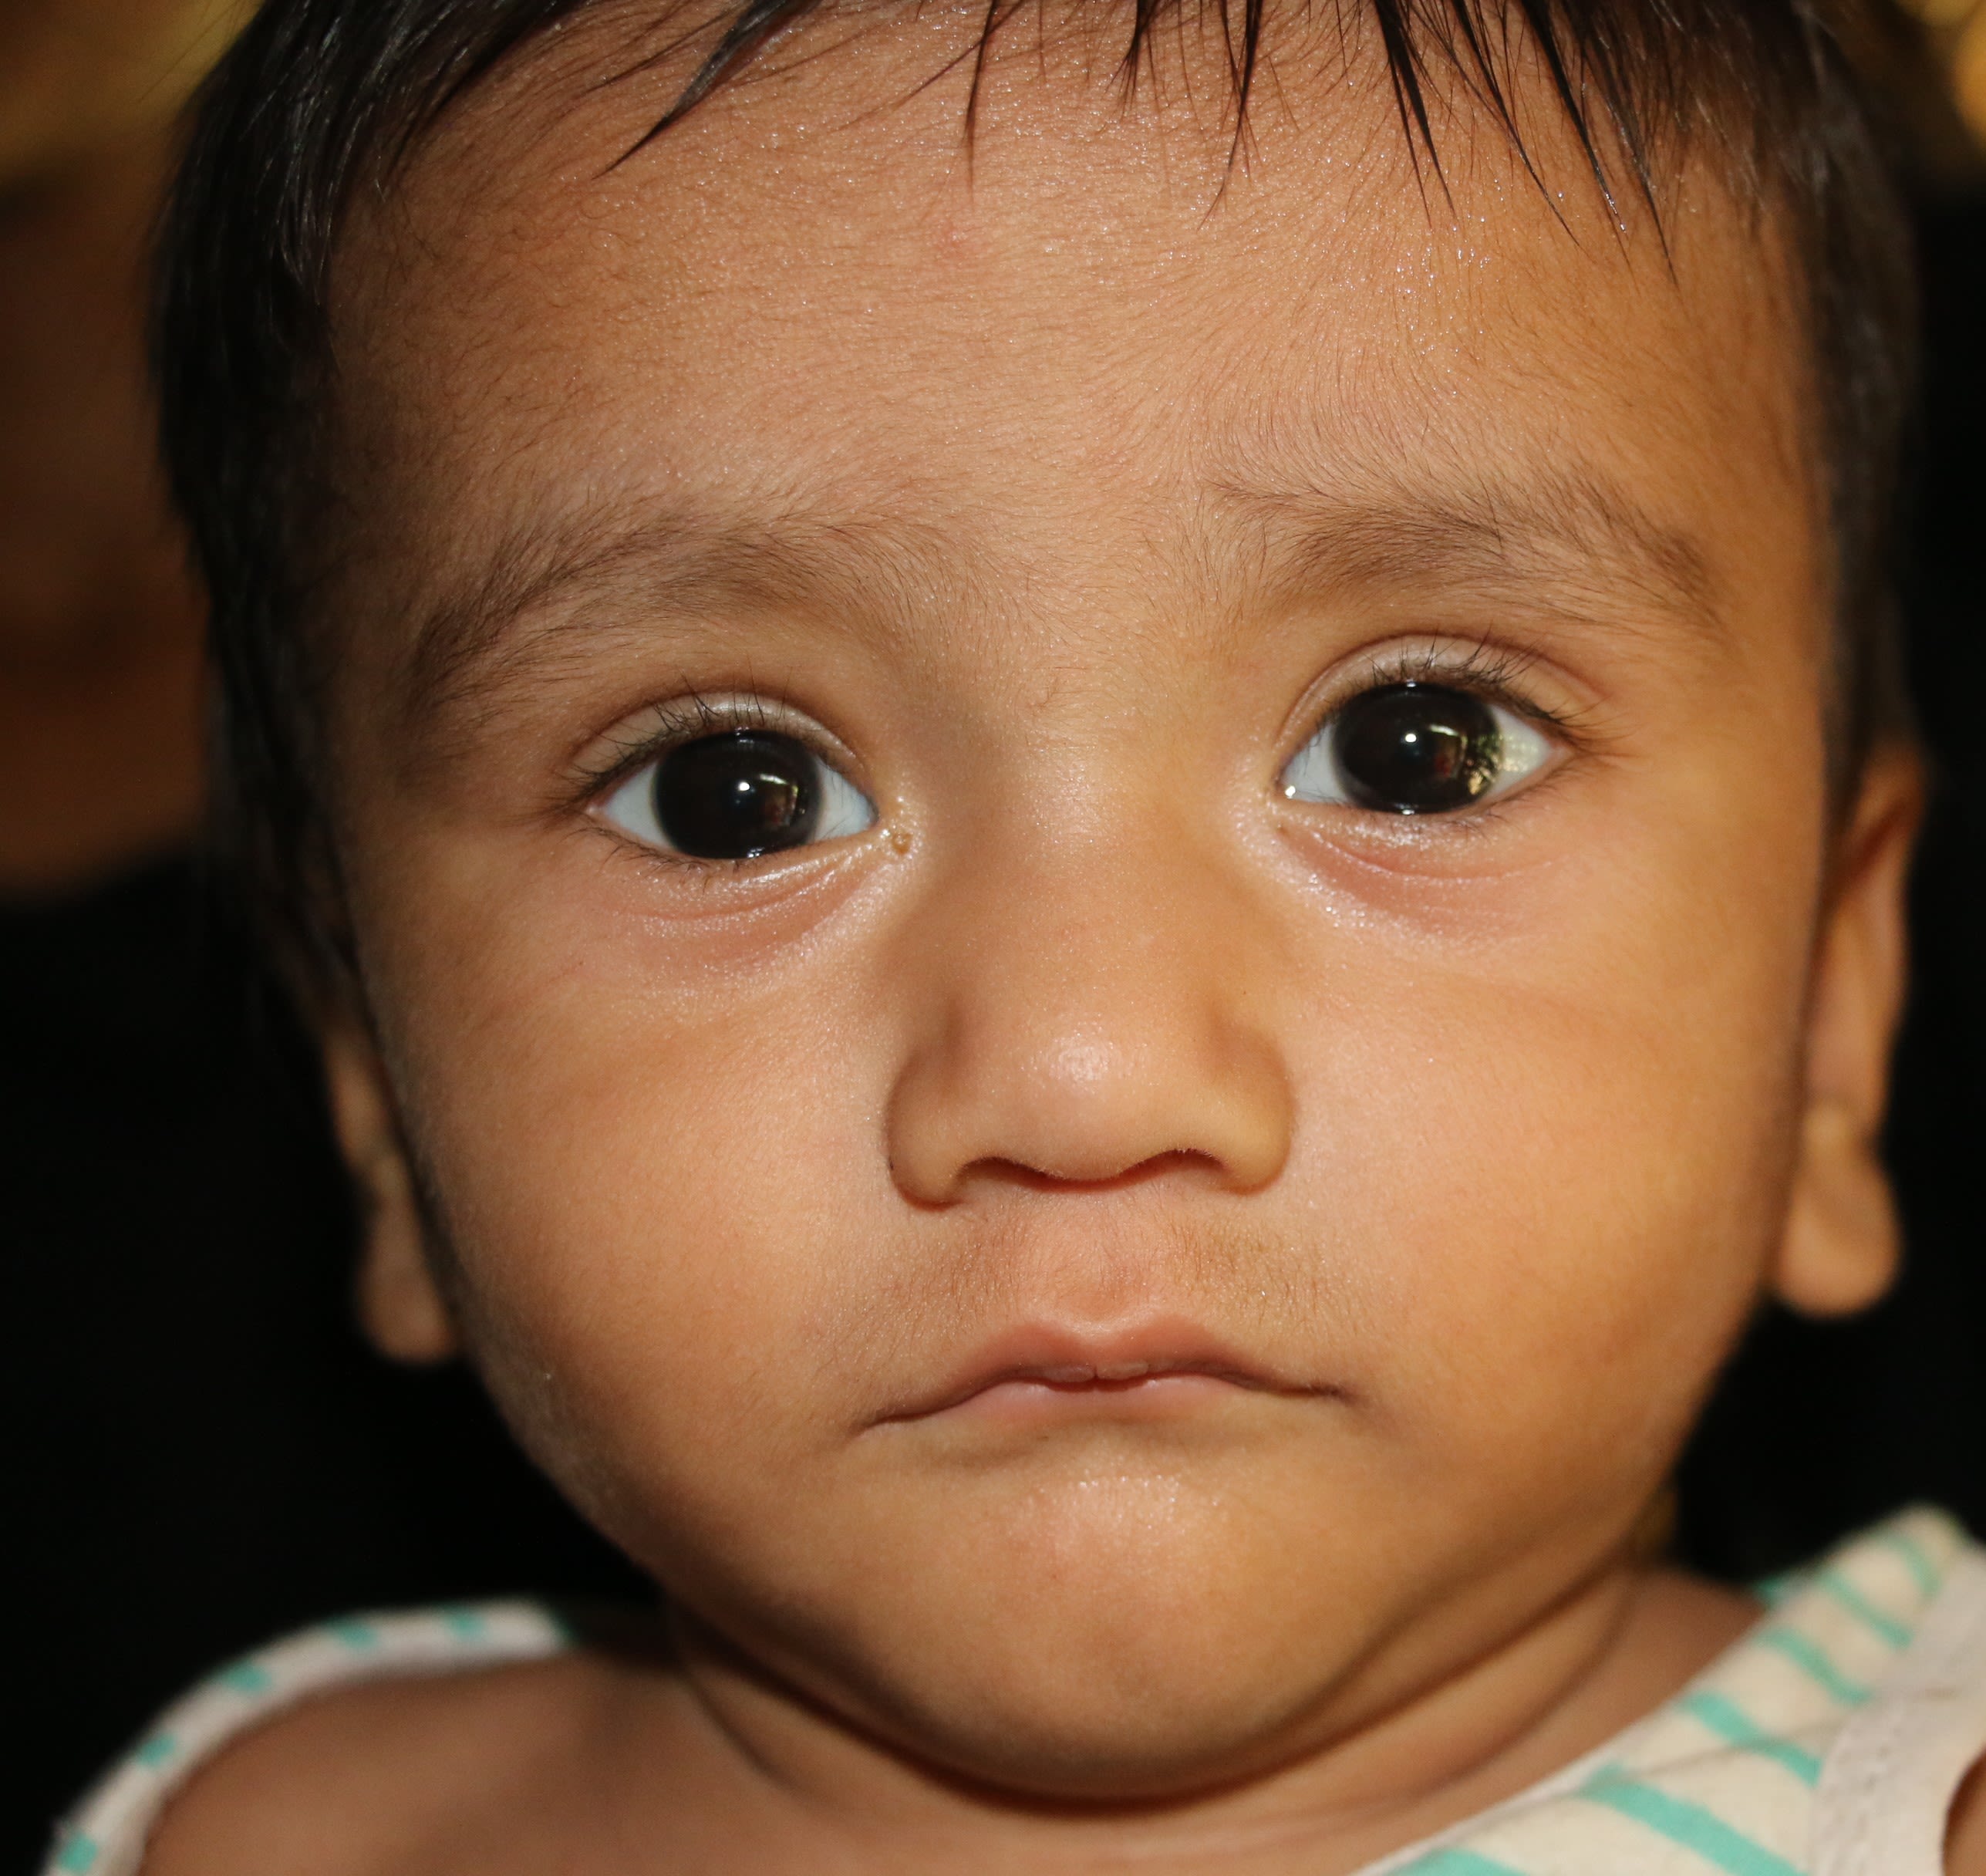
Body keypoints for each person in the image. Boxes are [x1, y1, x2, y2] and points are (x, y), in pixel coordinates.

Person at [41, 0, 1986, 1871]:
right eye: (733, 794)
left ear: (1830, 1004)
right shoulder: (247, 1834)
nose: (1080, 1069)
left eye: (1416, 751)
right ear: (379, 1089)